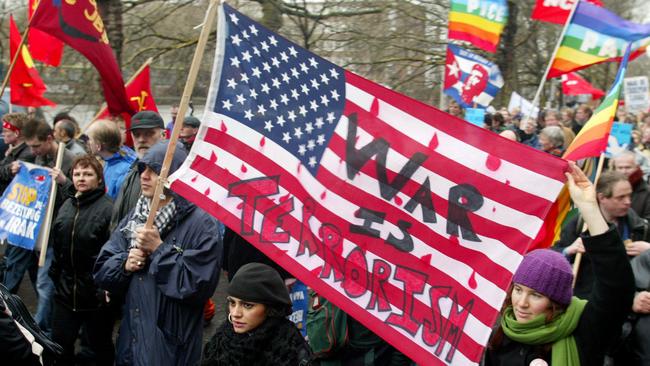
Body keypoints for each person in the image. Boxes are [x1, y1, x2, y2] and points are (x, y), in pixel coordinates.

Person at [483, 162, 635, 366]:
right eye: (518, 290)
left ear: (556, 302)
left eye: (536, 295)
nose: (521, 303)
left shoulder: (585, 330)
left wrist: (589, 208)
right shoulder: (500, 333)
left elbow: (616, 286)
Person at [94, 141, 223, 366]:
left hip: (171, 347)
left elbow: (198, 286)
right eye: (143, 169)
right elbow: (102, 269)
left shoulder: (203, 224)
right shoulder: (136, 216)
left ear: (173, 176)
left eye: (154, 171)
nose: (144, 176)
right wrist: (124, 264)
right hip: (131, 342)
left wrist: (159, 250)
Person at [8, 119, 75, 335]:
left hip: (55, 234)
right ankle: (45, 322)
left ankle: (42, 330)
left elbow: (77, 199)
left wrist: (65, 182)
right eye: (30, 146)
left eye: (36, 145)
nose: (33, 150)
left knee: (45, 284)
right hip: (37, 229)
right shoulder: (39, 156)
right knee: (39, 280)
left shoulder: (69, 160)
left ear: (49, 139)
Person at [48, 155, 114, 365]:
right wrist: (56, 276)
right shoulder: (66, 205)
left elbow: (111, 253)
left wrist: (103, 288)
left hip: (95, 296)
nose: (81, 178)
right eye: (77, 174)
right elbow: (57, 245)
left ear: (99, 179)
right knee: (59, 346)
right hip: (65, 292)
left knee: (96, 349)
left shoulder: (108, 209)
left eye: (87, 174)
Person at [555, 170, 650, 298]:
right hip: (588, 299)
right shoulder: (580, 224)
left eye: (629, 195)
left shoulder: (639, 226)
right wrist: (569, 250)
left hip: (626, 301)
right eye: (621, 197)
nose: (628, 201)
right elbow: (554, 256)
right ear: (602, 198)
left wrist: (647, 251)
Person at [202, 263, 314, 366]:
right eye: (232, 303)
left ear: (270, 308)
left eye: (247, 305)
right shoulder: (220, 341)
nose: (235, 313)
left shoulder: (290, 349)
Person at [110, 110, 166, 230]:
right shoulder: (133, 171)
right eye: (137, 134)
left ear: (163, 136)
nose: (141, 140)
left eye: (149, 134)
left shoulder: (171, 174)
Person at [86, 119, 137, 200]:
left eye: (90, 139)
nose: (88, 142)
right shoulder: (109, 161)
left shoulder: (125, 170)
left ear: (98, 145)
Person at [612, 151, 650, 221]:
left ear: (637, 167)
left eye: (628, 167)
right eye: (620, 168)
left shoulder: (647, 192)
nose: (624, 171)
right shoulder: (608, 190)